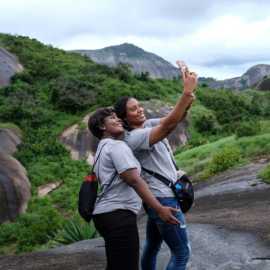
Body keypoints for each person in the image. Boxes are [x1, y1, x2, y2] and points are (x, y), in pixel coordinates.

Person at [114, 61, 197, 270]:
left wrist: (187, 95)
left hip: (159, 197)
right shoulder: (134, 138)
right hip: (163, 198)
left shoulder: (146, 124)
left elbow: (174, 118)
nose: (140, 110)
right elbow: (168, 126)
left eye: (139, 106)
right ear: (124, 118)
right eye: (133, 110)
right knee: (181, 253)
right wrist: (186, 94)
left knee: (152, 245)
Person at [88, 107, 180, 270]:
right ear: (102, 127)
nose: (118, 120)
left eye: (118, 117)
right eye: (112, 119)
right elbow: (134, 180)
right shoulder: (117, 147)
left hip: (104, 215)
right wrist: (159, 209)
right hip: (118, 215)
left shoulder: (101, 149)